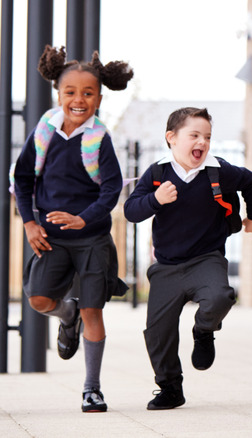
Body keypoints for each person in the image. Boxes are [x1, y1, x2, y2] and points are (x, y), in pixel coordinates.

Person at [12, 45, 133, 412]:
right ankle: (67, 317)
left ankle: (92, 389)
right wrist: (30, 223)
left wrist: (85, 218)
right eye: (71, 92)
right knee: (39, 300)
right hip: (51, 238)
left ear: (99, 96)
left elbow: (112, 189)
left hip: (92, 239)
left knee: (92, 311)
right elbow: (22, 179)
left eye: (88, 93)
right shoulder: (44, 131)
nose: (79, 100)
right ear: (58, 93)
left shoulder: (99, 139)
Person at [124, 107, 252, 410]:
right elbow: (131, 211)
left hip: (206, 259)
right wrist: (155, 199)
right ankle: (170, 388)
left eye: (208, 137)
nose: (202, 142)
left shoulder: (219, 172)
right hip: (166, 267)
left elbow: (251, 181)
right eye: (194, 135)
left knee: (220, 297)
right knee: (157, 333)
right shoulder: (157, 174)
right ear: (171, 138)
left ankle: (204, 330)